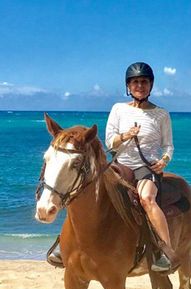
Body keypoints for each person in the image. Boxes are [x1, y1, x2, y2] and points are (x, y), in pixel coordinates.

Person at [48, 62, 174, 272]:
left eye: (144, 82)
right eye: (135, 82)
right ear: (128, 86)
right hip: (120, 164)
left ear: (151, 85)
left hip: (146, 167)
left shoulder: (161, 114)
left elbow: (168, 145)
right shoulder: (118, 109)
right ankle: (64, 244)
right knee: (84, 191)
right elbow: (110, 142)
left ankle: (163, 251)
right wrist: (125, 136)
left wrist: (164, 160)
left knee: (147, 199)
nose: (140, 86)